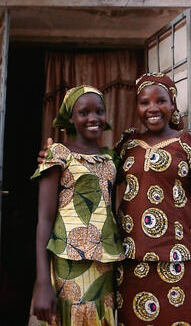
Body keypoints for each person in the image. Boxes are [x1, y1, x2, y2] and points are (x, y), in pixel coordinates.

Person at [38, 73, 191, 326]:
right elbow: (94, 173)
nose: (152, 109)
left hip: (178, 262)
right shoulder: (128, 145)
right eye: (144, 102)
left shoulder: (190, 143)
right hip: (131, 265)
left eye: (161, 101)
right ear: (137, 107)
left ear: (173, 104)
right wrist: (54, 159)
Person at [29, 85, 125, 326]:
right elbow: (44, 219)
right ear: (70, 118)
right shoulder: (58, 154)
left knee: (101, 318)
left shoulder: (112, 158)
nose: (93, 118)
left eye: (99, 111)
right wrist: (42, 281)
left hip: (106, 263)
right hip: (67, 261)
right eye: (84, 113)